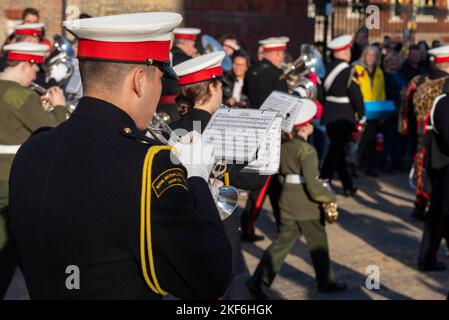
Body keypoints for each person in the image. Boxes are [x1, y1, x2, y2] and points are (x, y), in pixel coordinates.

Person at [8, 12, 232, 299]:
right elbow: (210, 276)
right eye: (160, 80)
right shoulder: (150, 165)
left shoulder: (33, 147)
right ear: (140, 80)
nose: (160, 89)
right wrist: (198, 179)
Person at [170, 51, 266, 299]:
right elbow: (253, 180)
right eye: (219, 86)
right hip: (217, 233)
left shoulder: (173, 126)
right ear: (212, 88)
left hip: (180, 234)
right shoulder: (223, 132)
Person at [246, 100, 347, 299]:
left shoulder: (283, 146)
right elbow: (313, 185)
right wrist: (329, 196)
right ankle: (326, 282)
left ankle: (257, 281)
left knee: (281, 244)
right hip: (306, 205)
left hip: (287, 200)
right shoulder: (307, 151)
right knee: (318, 243)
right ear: (305, 127)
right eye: (310, 123)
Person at [0, 42, 67, 298]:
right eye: (34, 68)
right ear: (25, 64)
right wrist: (58, 107)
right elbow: (55, 135)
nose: (35, 75)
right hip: (12, 184)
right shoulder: (19, 94)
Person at [241, 36, 289, 242]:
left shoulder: (252, 71)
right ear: (277, 53)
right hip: (270, 133)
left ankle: (281, 225)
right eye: (282, 54)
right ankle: (248, 225)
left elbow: (247, 96)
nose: (282, 58)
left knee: (273, 183)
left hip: (255, 129)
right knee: (263, 183)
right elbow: (285, 102)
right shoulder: (277, 75)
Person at [399, 45, 449, 222]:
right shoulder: (447, 83)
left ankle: (420, 205)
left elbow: (405, 107)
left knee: (421, 167)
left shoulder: (418, 80)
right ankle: (434, 205)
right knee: (440, 173)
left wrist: (405, 127)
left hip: (419, 132)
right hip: (440, 134)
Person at [415, 45, 449, 272]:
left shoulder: (420, 82)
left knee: (437, 213)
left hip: (429, 149)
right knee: (439, 213)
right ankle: (427, 256)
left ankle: (427, 256)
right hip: (442, 161)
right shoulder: (443, 98)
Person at [320, 34, 365, 197]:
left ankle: (348, 185)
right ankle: (324, 178)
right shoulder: (348, 70)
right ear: (345, 52)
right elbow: (356, 95)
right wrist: (362, 115)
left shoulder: (327, 67)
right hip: (344, 115)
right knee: (336, 149)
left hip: (329, 113)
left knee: (338, 150)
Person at [354, 45, 386, 176]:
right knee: (358, 141)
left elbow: (382, 92)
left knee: (371, 140)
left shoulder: (379, 71)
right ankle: (355, 165)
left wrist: (382, 111)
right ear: (364, 56)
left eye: (374, 55)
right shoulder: (357, 69)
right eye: (369, 55)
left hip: (374, 111)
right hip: (360, 110)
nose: (371, 58)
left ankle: (368, 166)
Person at [158, 27, 201, 124]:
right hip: (180, 108)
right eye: (193, 45)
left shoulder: (164, 56)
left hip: (158, 106)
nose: (194, 49)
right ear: (185, 44)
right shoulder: (188, 60)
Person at [383, 51, 407, 171]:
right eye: (391, 60)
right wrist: (400, 93)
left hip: (401, 111)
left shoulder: (401, 75)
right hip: (390, 111)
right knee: (388, 138)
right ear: (386, 62)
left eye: (396, 60)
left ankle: (396, 161)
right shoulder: (384, 76)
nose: (393, 63)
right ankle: (386, 163)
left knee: (398, 139)